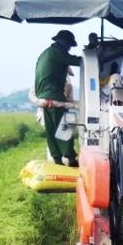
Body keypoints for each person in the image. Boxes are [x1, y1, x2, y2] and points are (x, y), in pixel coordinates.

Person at [34, 29, 81, 166]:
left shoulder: (46, 53)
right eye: (69, 45)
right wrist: (94, 55)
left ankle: (57, 160)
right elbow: (77, 61)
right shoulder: (57, 53)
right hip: (54, 98)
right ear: (64, 43)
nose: (69, 48)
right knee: (65, 128)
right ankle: (71, 159)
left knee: (52, 131)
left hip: (44, 99)